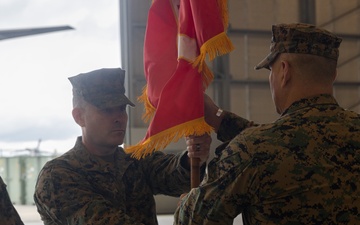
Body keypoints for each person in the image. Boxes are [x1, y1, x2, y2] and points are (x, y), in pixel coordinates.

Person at [174, 23, 360, 224]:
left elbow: (193, 221)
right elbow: (294, 140)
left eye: (270, 70)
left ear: (283, 71)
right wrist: (219, 118)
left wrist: (189, 202)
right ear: (333, 75)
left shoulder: (253, 149)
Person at [33, 68, 212, 225]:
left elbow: (173, 178)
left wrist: (193, 157)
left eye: (121, 109)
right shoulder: (58, 175)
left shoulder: (134, 160)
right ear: (79, 117)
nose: (119, 117)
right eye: (106, 110)